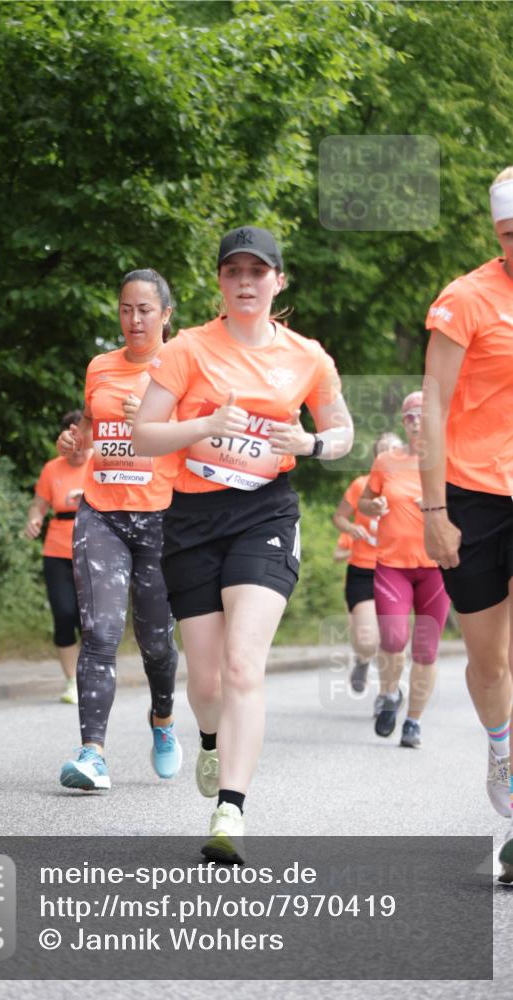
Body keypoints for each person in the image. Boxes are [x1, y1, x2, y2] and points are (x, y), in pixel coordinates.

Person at [133, 226, 353, 861]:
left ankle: (231, 809)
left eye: (259, 272)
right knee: (205, 679)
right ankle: (208, 737)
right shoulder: (187, 350)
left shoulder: (308, 357)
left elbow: (340, 431)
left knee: (241, 664)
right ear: (221, 283)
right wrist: (206, 423)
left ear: (278, 281)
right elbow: (145, 434)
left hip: (266, 514)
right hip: (193, 517)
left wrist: (309, 444)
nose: (247, 282)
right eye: (235, 272)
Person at [420, 166, 513, 882]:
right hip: (474, 497)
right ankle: (501, 746)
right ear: (494, 232)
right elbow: (433, 411)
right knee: (489, 661)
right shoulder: (464, 300)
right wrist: (432, 511)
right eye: (509, 237)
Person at [57, 269, 181, 792]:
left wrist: (151, 421)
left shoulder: (182, 368)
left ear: (166, 315)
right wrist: (78, 447)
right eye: (126, 309)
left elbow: (203, 444)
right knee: (102, 633)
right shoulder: (100, 367)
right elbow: (89, 426)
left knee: (157, 645)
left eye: (145, 310)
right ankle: (93, 754)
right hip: (102, 513)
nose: (134, 319)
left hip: (160, 519)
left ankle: (164, 721)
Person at [358, 392, 450, 748]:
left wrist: (438, 507)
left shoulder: (448, 460)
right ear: (403, 422)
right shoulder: (386, 461)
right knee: (394, 638)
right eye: (409, 416)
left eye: (422, 415)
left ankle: (413, 722)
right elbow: (364, 501)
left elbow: (468, 510)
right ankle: (390, 694)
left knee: (426, 651)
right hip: (393, 564)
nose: (415, 422)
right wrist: (374, 503)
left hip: (436, 567)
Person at [25, 409, 90, 704]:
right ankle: (71, 682)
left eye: (82, 442)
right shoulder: (52, 468)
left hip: (95, 550)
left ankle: (93, 676)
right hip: (57, 550)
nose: (77, 451)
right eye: (71, 442)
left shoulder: (102, 465)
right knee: (64, 615)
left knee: (90, 620)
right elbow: (38, 505)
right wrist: (34, 519)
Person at [332, 432, 402, 698]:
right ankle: (362, 660)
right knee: (367, 640)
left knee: (393, 639)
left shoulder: (413, 487)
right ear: (376, 458)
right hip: (363, 570)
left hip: (397, 570)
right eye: (383, 452)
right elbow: (339, 518)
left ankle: (388, 696)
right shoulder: (360, 485)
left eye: (394, 451)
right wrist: (351, 529)